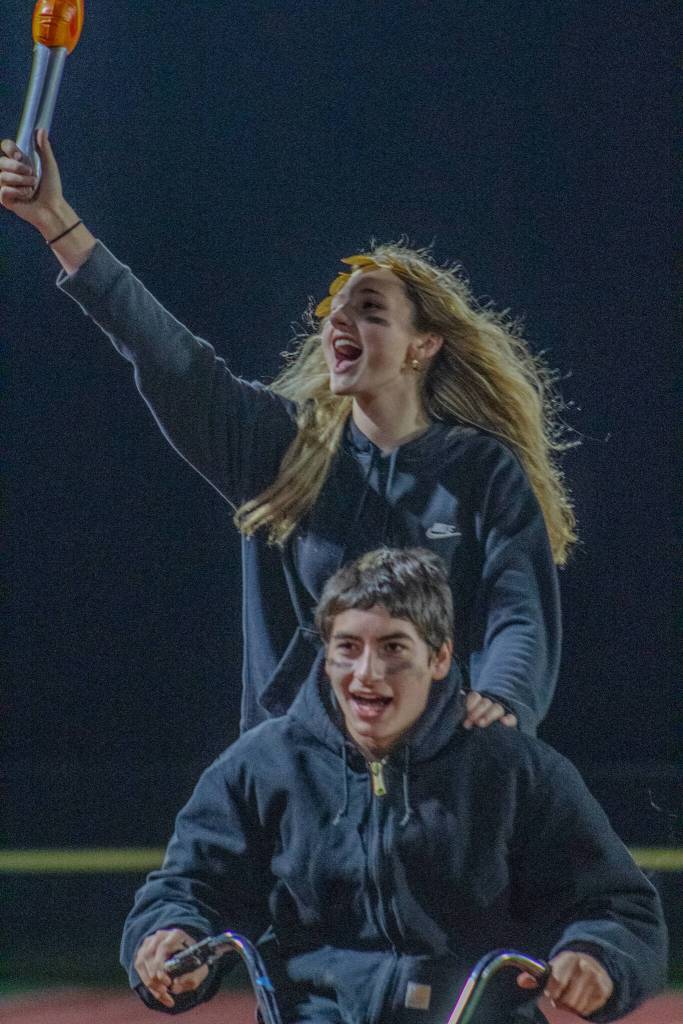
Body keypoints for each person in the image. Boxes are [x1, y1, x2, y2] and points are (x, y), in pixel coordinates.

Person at [1, 132, 575, 735]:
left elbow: (519, 611)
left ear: (423, 346)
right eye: (336, 311)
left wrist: (504, 696)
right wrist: (54, 221)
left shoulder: (482, 470)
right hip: (296, 774)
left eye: (371, 311)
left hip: (433, 765)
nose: (340, 322)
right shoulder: (281, 446)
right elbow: (170, 359)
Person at [120, 547, 666, 1023]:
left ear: (440, 656)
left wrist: (598, 956)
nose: (366, 674)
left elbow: (619, 906)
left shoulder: (513, 769)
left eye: (394, 648)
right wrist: (170, 936)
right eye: (347, 648)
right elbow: (187, 886)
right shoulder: (262, 765)